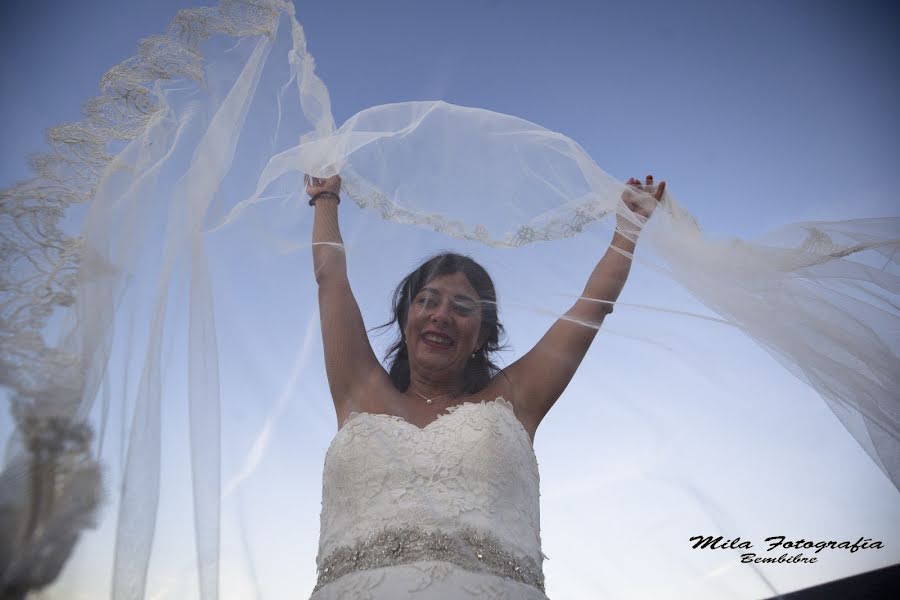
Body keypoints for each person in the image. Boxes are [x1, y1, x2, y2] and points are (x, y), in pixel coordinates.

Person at [304, 173, 665, 598]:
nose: (441, 314)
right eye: (427, 300)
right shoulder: (358, 388)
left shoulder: (514, 400)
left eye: (462, 308)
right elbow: (331, 280)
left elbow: (592, 307)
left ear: (481, 338)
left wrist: (628, 229)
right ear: (406, 320)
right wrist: (326, 196)